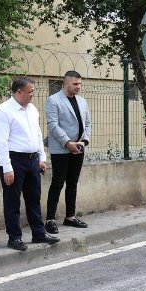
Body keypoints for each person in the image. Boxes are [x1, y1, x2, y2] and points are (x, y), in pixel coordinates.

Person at [0, 77, 60, 251]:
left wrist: (41, 157)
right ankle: (14, 237)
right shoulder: (4, 111)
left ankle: (39, 233)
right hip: (13, 160)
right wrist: (7, 168)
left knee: (34, 199)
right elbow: (1, 142)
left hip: (32, 159)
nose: (33, 94)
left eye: (33, 91)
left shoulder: (32, 110)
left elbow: (37, 134)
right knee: (12, 201)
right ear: (19, 92)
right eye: (30, 91)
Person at [44, 70, 92, 234]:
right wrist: (67, 143)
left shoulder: (82, 101)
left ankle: (70, 217)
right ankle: (50, 219)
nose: (79, 87)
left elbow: (88, 124)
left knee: (73, 183)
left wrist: (84, 141)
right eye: (75, 84)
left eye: (80, 84)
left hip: (79, 148)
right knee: (57, 183)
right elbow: (53, 125)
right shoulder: (53, 100)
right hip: (61, 149)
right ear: (65, 83)